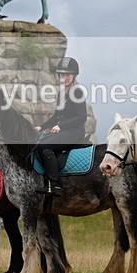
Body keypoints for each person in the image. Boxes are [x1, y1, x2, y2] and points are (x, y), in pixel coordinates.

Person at [34, 57, 88, 196]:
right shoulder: (61, 93)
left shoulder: (77, 92)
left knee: (43, 147)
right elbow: (55, 116)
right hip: (63, 130)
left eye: (68, 75)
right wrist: (41, 126)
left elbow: (82, 117)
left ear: (74, 75)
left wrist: (61, 126)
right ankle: (46, 183)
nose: (64, 78)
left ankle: (56, 185)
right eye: (62, 75)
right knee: (37, 145)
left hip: (75, 131)